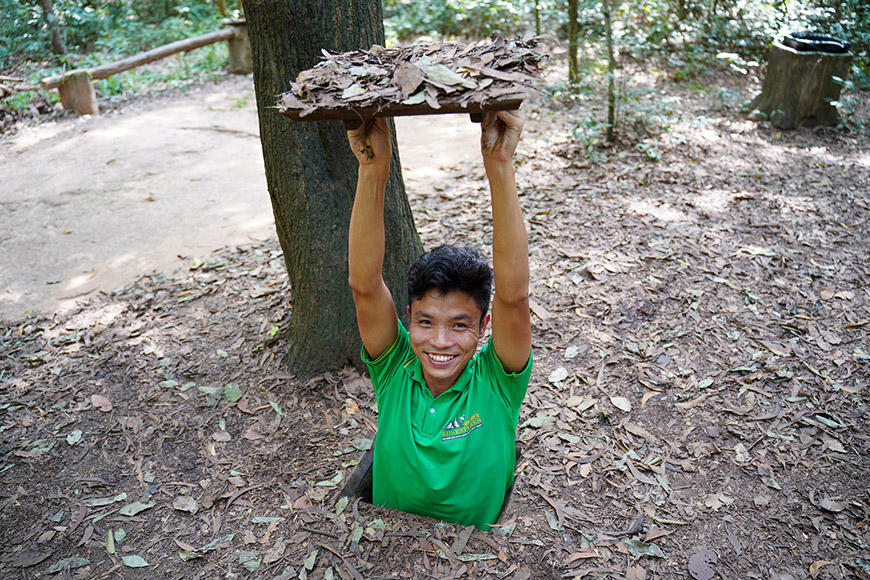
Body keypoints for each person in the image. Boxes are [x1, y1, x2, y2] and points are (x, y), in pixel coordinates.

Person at [346, 110, 532, 530]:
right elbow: (364, 285)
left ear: (484, 328)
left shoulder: (497, 382)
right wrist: (373, 169)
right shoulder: (395, 369)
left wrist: (499, 165)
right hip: (389, 552)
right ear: (408, 319)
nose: (441, 341)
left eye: (460, 325)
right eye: (426, 323)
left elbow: (514, 295)